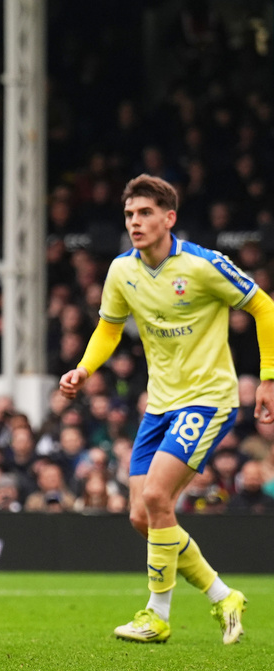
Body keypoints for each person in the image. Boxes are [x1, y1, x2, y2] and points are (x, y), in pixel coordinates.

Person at [59, 173, 274, 645]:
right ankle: (223, 596)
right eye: (130, 215)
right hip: (159, 406)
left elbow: (265, 307)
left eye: (145, 213)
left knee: (157, 498)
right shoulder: (122, 271)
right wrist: (84, 368)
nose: (135, 222)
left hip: (208, 399)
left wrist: (267, 379)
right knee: (142, 515)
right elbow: (109, 329)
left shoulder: (204, 265)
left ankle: (156, 615)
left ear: (169, 218)